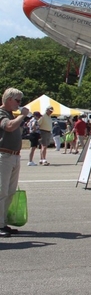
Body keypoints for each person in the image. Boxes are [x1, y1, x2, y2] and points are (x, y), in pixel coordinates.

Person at [1, 88, 30, 237]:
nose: (19, 104)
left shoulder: (11, 114)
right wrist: (22, 116)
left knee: (10, 192)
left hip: (13, 156)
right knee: (2, 191)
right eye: (17, 100)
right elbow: (9, 126)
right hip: (3, 155)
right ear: (8, 99)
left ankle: (3, 222)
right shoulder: (2, 113)